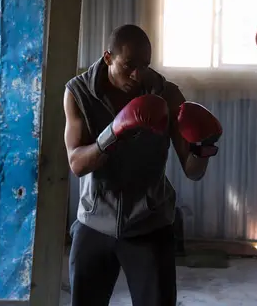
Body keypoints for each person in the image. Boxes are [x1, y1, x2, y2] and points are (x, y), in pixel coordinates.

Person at [64, 24, 222, 305]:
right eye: (129, 66)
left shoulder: (168, 96)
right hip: (94, 222)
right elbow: (76, 164)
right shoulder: (78, 94)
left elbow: (192, 171)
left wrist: (201, 150)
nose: (137, 75)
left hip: (149, 224)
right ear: (108, 57)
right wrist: (114, 132)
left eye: (145, 66)